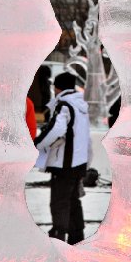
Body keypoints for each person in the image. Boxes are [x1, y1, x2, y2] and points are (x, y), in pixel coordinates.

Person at [34, 71, 91, 244]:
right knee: (73, 201)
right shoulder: (81, 105)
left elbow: (56, 130)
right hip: (79, 163)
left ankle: (58, 236)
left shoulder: (65, 105)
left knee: (60, 202)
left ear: (58, 88)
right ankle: (77, 237)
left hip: (64, 164)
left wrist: (37, 143)